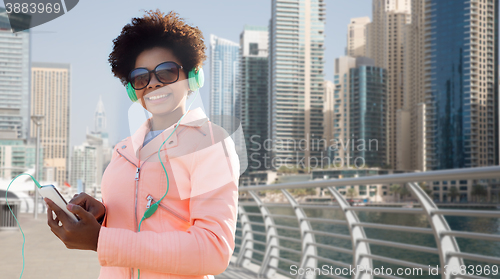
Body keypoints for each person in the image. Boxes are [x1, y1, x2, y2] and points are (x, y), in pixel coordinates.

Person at [44, 10, 240, 279]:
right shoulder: (123, 149)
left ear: (193, 77)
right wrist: (102, 217)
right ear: (132, 89)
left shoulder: (209, 143)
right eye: (140, 77)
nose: (153, 84)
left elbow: (213, 249)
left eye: (167, 72)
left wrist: (102, 241)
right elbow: (138, 220)